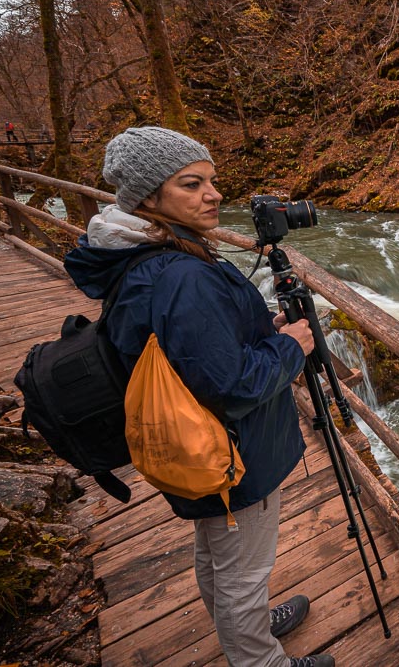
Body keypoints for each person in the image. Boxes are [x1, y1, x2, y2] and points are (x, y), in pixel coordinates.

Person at [64, 126, 334, 667]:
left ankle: (246, 623)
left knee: (218, 552)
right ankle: (258, 656)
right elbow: (232, 386)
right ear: (147, 197)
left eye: (211, 181)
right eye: (192, 184)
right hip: (228, 452)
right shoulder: (180, 274)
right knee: (242, 568)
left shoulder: (145, 255)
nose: (213, 194)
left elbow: (192, 350)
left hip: (192, 447)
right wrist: (292, 346)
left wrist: (267, 331)